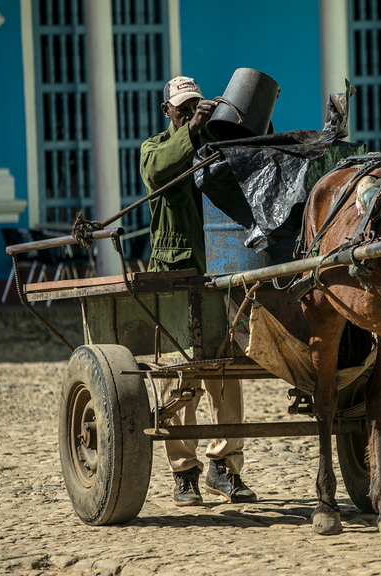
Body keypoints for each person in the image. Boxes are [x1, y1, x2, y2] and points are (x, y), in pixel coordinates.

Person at [140, 76, 257, 505]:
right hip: (174, 273)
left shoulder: (213, 143)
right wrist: (191, 133)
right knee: (177, 376)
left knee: (225, 373)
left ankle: (225, 467)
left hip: (222, 272)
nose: (189, 113)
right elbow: (158, 170)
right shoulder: (154, 148)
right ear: (167, 111)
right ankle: (184, 472)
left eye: (195, 107)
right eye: (182, 108)